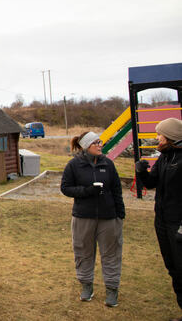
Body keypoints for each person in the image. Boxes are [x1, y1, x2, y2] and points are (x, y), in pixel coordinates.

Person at [60, 131, 125, 307]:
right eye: (95, 142)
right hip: (83, 217)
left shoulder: (108, 164)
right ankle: (86, 286)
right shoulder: (74, 165)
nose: (99, 145)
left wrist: (120, 214)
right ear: (86, 146)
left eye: (100, 142)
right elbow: (65, 188)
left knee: (111, 254)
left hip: (108, 217)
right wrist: (87, 191)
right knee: (83, 252)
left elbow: (117, 190)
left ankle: (112, 289)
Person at [135, 118, 182, 320]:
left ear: (170, 136)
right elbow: (152, 182)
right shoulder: (164, 157)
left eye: (159, 134)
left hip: (178, 224)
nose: (157, 138)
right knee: (173, 268)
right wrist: (142, 172)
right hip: (162, 221)